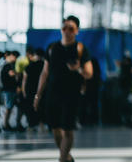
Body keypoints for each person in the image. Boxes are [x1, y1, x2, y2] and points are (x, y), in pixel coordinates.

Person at [34, 15, 93, 162]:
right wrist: (38, 95)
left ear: (77, 31)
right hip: (53, 94)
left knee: (67, 129)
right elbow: (45, 72)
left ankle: (62, 158)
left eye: (71, 29)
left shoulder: (80, 49)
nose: (67, 31)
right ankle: (67, 156)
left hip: (71, 96)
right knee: (55, 129)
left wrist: (78, 69)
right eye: (64, 28)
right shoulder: (52, 48)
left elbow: (89, 73)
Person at [22, 47, 44, 130]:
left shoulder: (29, 66)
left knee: (30, 107)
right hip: (41, 89)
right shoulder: (44, 66)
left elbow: (24, 79)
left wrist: (24, 90)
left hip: (30, 90)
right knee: (41, 106)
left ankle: (31, 125)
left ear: (35, 55)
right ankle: (42, 124)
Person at [0, 51, 19, 131]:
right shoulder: (7, 65)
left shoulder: (8, 65)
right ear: (11, 56)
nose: (15, 59)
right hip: (8, 89)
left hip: (9, 89)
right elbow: (12, 74)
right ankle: (5, 124)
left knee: (9, 107)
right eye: (15, 57)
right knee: (8, 107)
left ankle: (6, 124)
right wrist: (18, 73)